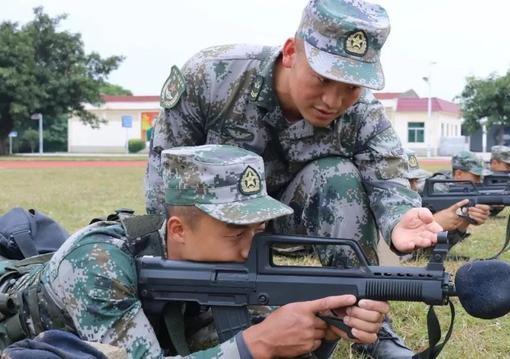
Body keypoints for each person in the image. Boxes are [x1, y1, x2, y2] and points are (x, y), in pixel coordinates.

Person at [145, 1, 443, 356]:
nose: (333, 100)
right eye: (322, 79)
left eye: (350, 87)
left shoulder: (363, 114)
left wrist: (400, 218)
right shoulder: (212, 77)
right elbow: (165, 182)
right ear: (290, 53)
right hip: (218, 225)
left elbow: (389, 172)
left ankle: (363, 324)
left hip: (294, 220)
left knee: (337, 176)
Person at [2, 145, 389, 359]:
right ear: (178, 230)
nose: (250, 249)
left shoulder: (218, 268)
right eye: (236, 233)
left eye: (258, 230)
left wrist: (326, 325)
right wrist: (255, 345)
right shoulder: (99, 262)